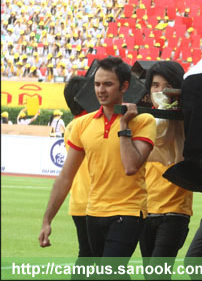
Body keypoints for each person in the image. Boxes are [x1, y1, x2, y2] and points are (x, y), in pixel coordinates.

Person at [38, 56, 156, 264]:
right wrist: (47, 219)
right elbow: (66, 176)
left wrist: (124, 125)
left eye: (108, 84)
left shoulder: (143, 121)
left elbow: (130, 166)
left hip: (128, 210)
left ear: (124, 86)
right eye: (97, 84)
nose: (101, 90)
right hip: (92, 212)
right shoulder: (82, 125)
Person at [140, 61, 192, 278]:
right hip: (146, 210)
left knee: (157, 275)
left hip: (174, 212)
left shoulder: (186, 121)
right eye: (155, 85)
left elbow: (163, 139)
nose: (160, 91)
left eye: (167, 85)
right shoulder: (143, 121)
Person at [63, 75, 91, 263]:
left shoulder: (72, 126)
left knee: (87, 254)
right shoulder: (87, 125)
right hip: (96, 201)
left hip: (80, 200)